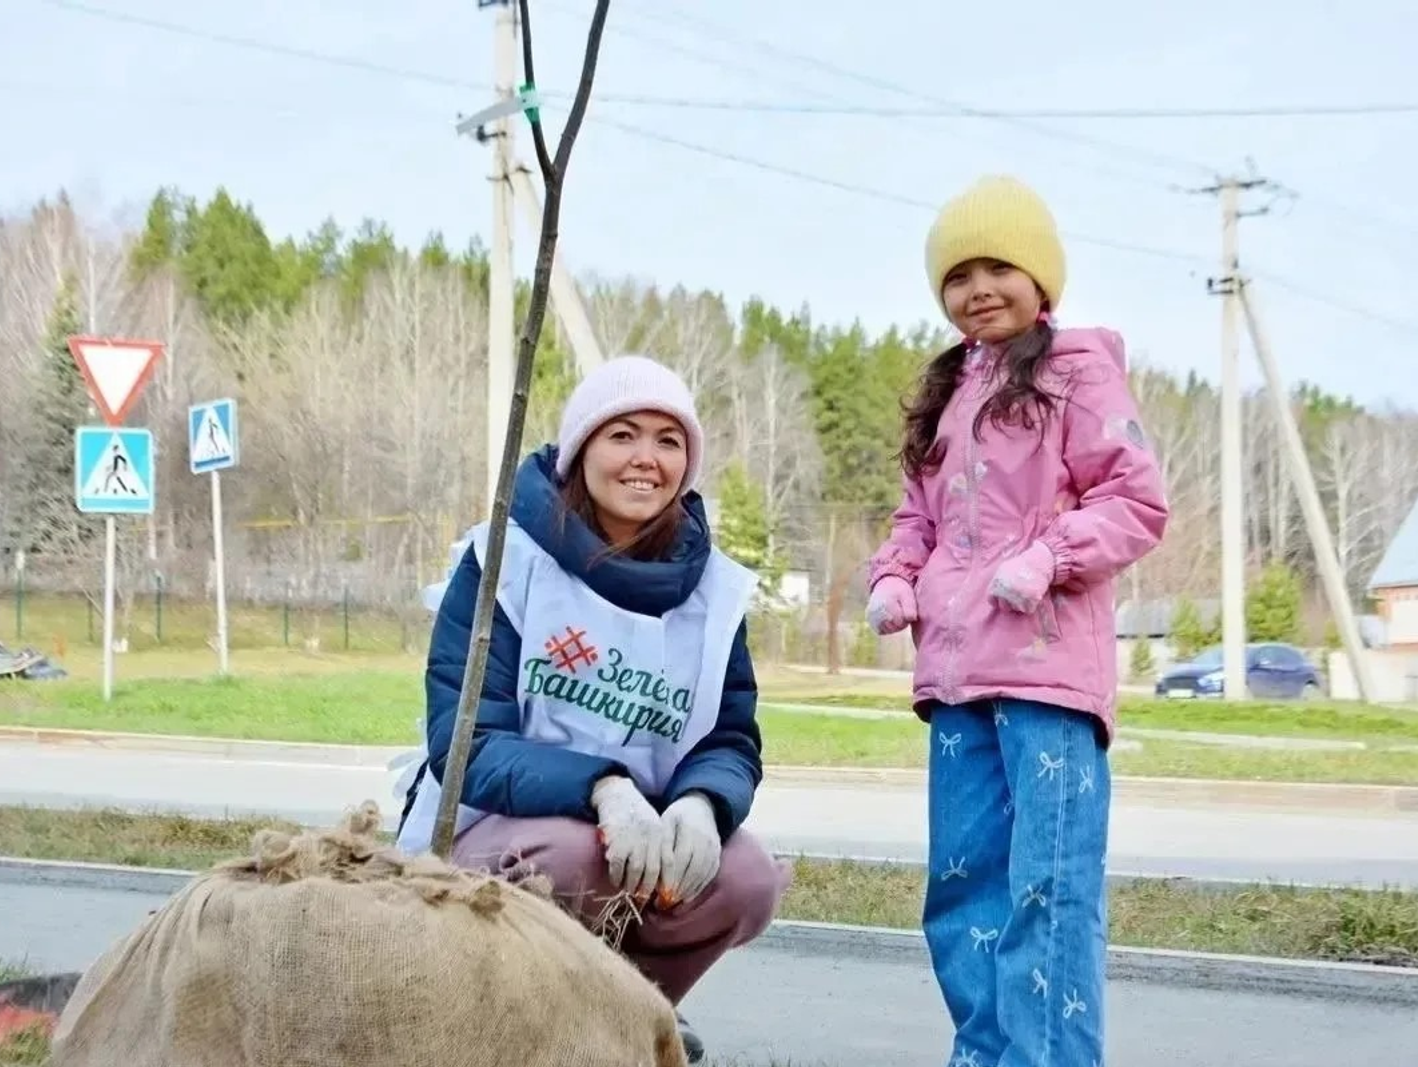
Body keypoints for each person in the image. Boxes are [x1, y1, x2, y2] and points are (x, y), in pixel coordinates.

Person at [394, 354, 792, 1065]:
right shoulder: (504, 564)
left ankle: (631, 1012)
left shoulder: (714, 593)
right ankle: (522, 1023)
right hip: (495, 837)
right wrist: (605, 788)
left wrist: (702, 803)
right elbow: (467, 743)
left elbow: (730, 733)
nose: (647, 458)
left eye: (669, 440)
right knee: (577, 857)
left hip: (643, 838)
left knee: (746, 873)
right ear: (582, 451)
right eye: (623, 435)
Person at [864, 175, 1169, 1067]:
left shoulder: (1079, 371)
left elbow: (1135, 499)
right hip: (957, 681)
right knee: (960, 891)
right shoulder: (949, 389)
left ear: (1043, 280)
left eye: (1001, 266)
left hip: (1047, 679)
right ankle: (984, 1055)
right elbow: (915, 517)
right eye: (959, 275)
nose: (979, 288)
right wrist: (895, 575)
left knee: (1050, 888)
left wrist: (1050, 556)